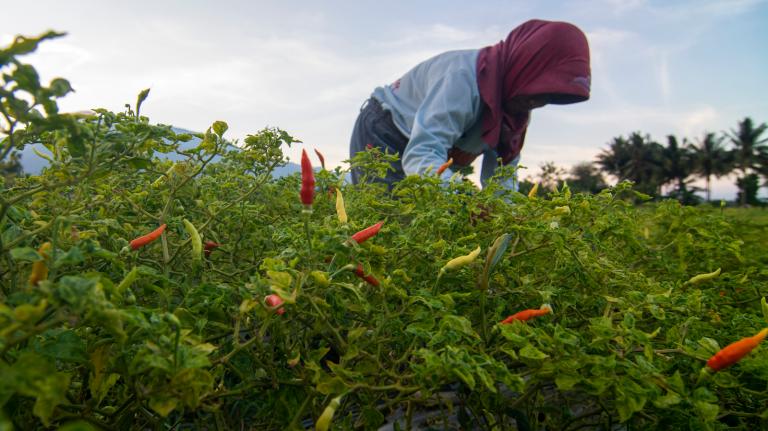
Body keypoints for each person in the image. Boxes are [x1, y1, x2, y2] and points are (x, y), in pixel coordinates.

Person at [349, 19, 591, 191]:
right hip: (387, 131)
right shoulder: (462, 79)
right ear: (524, 66)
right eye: (537, 88)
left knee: (435, 228)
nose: (536, 102)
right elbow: (421, 154)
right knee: (387, 224)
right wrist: (465, 201)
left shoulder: (513, 118)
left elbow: (501, 182)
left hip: (436, 154)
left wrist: (510, 224)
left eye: (547, 96)